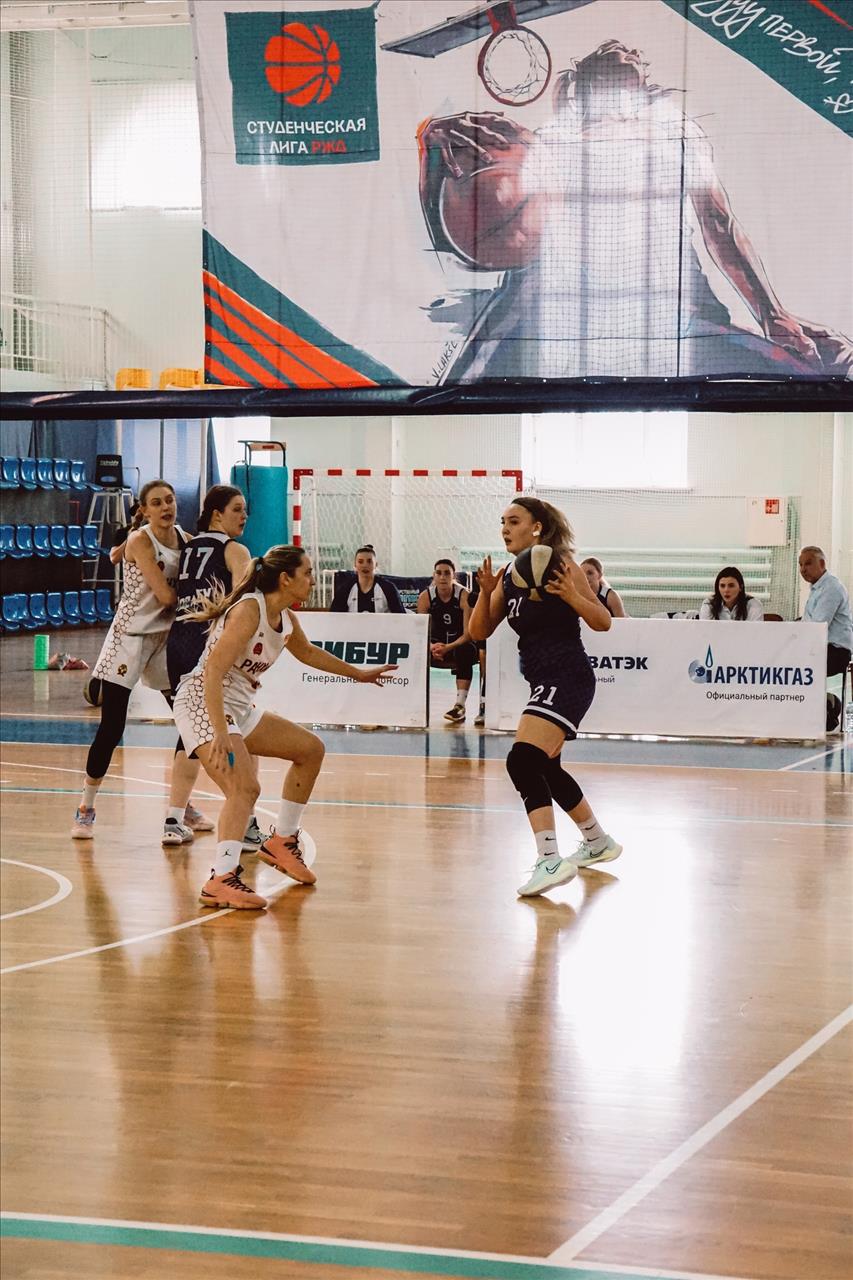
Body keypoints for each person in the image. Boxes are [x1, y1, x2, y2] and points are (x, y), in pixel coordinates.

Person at [418, 41, 852, 382]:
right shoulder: (548, 142)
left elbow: (720, 227)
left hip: (673, 317)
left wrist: (772, 314)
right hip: (555, 313)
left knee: (825, 363)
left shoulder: (675, 135)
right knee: (466, 384)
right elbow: (466, 223)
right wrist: (433, 144)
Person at [173, 544, 396, 909]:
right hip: (202, 702)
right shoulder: (250, 610)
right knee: (244, 788)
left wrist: (359, 674)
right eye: (307, 573)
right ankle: (221, 878)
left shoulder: (286, 619)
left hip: (238, 708)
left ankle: (282, 841)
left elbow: (308, 653)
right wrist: (220, 731)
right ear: (285, 578)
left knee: (310, 749)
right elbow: (212, 671)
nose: (312, 580)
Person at [469, 496, 622, 898]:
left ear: (536, 527)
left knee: (521, 761)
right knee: (547, 770)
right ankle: (598, 841)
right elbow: (479, 632)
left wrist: (571, 595)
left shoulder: (561, 564)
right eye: (502, 521)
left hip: (567, 675)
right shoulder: (508, 575)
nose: (505, 529)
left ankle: (549, 859)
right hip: (543, 680)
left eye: (514, 521)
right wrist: (485, 592)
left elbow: (602, 621)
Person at [71, 479, 189, 839]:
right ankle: (86, 808)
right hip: (129, 638)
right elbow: (166, 597)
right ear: (145, 510)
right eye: (158, 502)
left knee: (190, 721)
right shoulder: (140, 540)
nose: (166, 507)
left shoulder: (185, 538)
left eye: (170, 500)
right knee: (112, 727)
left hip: (164, 639)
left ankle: (181, 806)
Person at [162, 484, 267, 851]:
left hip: (177, 641)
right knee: (237, 729)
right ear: (217, 514)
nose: (244, 515)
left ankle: (174, 818)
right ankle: (246, 822)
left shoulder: (189, 546)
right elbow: (245, 599)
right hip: (208, 643)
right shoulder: (235, 550)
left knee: (189, 735)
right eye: (237, 509)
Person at [417, 558, 479, 722]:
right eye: (439, 573)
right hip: (435, 647)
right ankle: (414, 705)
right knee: (414, 652)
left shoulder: (464, 595)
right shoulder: (425, 597)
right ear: (434, 576)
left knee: (467, 649)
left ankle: (459, 706)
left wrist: (448, 647)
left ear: (453, 576)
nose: (443, 577)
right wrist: (431, 646)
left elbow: (468, 634)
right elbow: (420, 633)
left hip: (457, 645)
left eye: (447, 573)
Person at [798, 546, 853, 732]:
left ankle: (825, 708)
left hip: (836, 652)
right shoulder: (817, 588)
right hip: (820, 648)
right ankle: (824, 703)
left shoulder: (830, 588)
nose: (803, 569)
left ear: (822, 564)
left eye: (808, 564)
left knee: (791, 664)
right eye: (800, 565)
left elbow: (818, 626)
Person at [329, 545, 406, 613]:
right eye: (360, 562)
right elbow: (334, 617)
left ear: (376, 565)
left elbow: (401, 617)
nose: (365, 565)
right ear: (355, 565)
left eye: (369, 561)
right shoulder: (345, 589)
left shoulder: (389, 588)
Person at [699, 567, 764, 622]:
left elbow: (755, 631)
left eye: (731, 586)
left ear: (740, 587)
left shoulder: (753, 605)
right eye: (722, 586)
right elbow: (704, 630)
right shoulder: (709, 604)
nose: (726, 590)